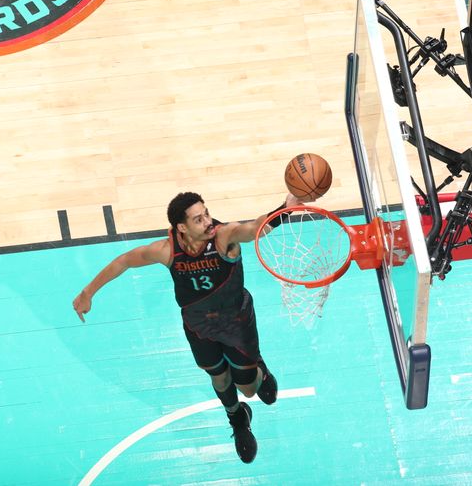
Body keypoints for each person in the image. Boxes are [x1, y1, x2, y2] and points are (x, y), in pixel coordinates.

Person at [72, 191, 302, 463]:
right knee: (218, 378)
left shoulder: (223, 236)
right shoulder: (167, 250)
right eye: (198, 219)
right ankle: (238, 418)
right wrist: (88, 292)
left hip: (236, 323)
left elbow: (254, 229)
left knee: (248, 389)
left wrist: (284, 209)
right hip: (199, 326)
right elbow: (124, 261)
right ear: (181, 227)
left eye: (206, 213)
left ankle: (260, 373)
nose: (207, 221)